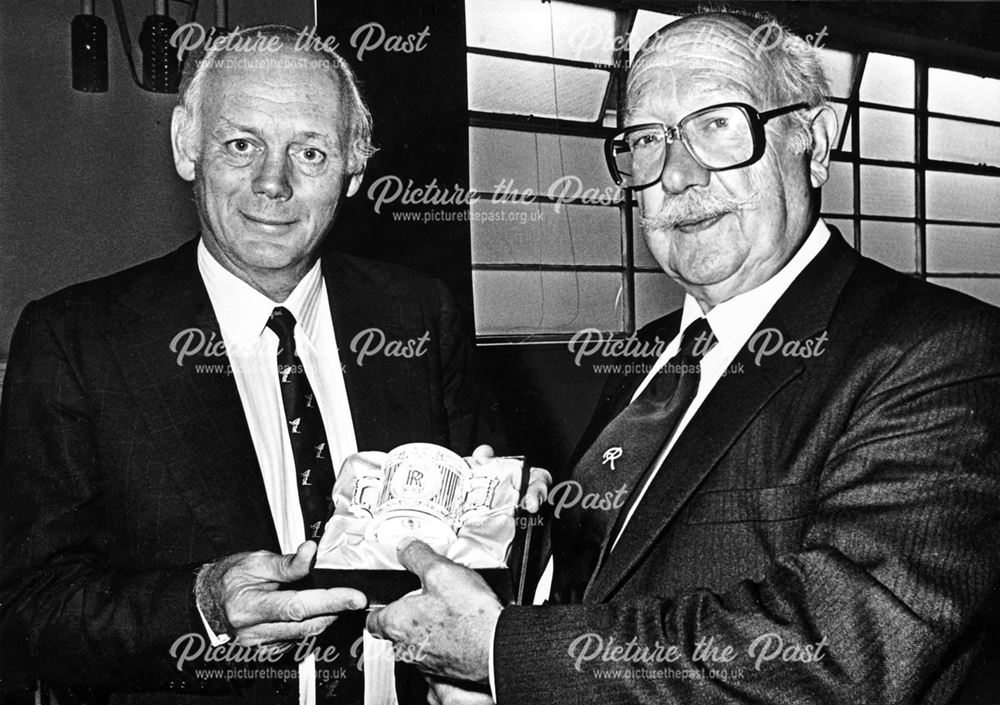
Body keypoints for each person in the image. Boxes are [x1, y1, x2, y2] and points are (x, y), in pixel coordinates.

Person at [366, 11, 1000, 705]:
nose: (677, 174)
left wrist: (502, 655)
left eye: (718, 123)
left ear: (814, 143)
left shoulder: (941, 351)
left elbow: (837, 652)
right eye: (647, 139)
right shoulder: (648, 356)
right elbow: (616, 583)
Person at [0, 24, 541, 705]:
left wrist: (511, 527)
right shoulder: (75, 338)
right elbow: (28, 606)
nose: (272, 183)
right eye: (240, 144)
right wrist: (201, 606)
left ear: (353, 165)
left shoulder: (419, 316)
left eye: (309, 152)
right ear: (186, 146)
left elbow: (484, 546)